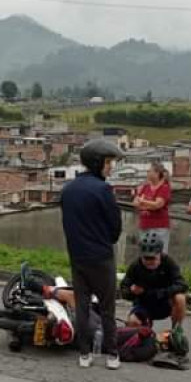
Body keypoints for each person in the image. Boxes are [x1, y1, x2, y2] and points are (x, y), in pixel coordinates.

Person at [61, 138, 125, 370]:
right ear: (98, 163)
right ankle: (112, 354)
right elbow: (115, 226)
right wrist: (106, 241)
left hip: (77, 257)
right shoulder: (103, 190)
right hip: (102, 257)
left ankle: (84, 353)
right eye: (109, 162)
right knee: (107, 308)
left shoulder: (68, 190)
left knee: (82, 306)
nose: (111, 167)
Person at [120, 231, 188, 329]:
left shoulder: (168, 262)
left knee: (180, 298)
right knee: (132, 323)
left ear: (160, 254)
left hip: (165, 303)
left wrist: (160, 293)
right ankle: (145, 331)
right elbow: (124, 288)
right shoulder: (136, 266)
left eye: (152, 258)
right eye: (146, 258)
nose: (149, 262)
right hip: (144, 304)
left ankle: (176, 330)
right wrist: (132, 291)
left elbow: (182, 284)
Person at [135, 162, 172, 253]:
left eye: (149, 171)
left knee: (160, 253)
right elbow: (135, 203)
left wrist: (143, 202)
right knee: (145, 252)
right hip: (144, 225)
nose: (147, 173)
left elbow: (158, 205)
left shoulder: (164, 188)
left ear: (157, 173)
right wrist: (147, 204)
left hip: (159, 226)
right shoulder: (145, 187)